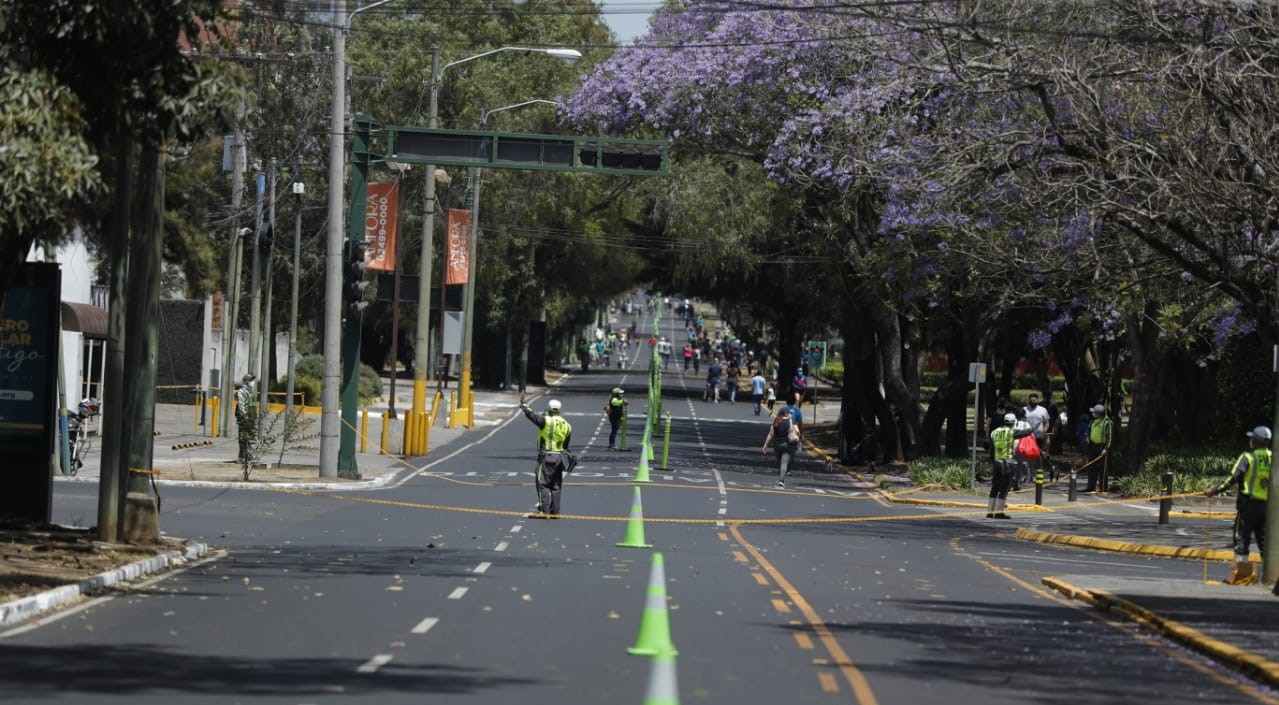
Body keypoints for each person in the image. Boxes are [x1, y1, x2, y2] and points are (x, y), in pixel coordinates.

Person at [1205, 426, 1272, 585]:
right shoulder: (1274, 457)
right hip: (1267, 507)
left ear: (1255, 441)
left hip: (1249, 505)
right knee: (1264, 542)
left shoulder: (1248, 457)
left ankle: (1241, 576)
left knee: (1242, 539)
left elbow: (1233, 478)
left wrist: (1214, 490)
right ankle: (1269, 579)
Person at [519, 393, 574, 517]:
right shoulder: (567, 425)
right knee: (556, 485)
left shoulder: (546, 421)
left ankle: (543, 510)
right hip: (560, 457)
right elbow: (566, 446)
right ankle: (555, 512)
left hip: (546, 457)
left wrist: (524, 405)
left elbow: (532, 416)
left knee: (542, 483)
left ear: (549, 409)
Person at [988, 413, 1032, 518]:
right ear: (1013, 423)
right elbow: (1025, 432)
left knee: (995, 487)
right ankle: (999, 513)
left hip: (997, 462)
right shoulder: (1011, 432)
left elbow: (992, 448)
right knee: (1004, 488)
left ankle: (990, 512)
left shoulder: (994, 432)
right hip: (1007, 463)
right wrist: (1033, 427)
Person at [762, 406, 801, 488]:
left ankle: (781, 477)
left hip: (777, 446)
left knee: (780, 463)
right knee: (784, 463)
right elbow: (797, 431)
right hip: (787, 445)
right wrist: (797, 436)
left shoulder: (776, 421)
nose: (790, 414)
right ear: (786, 414)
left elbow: (770, 434)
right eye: (789, 413)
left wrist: (765, 444)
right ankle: (781, 480)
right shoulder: (791, 421)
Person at [1084, 403, 1114, 492]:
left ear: (1098, 413)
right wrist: (1087, 437)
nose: (1093, 414)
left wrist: (1106, 448)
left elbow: (1110, 437)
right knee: (1091, 466)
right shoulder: (1093, 421)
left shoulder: (1107, 422)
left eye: (1095, 412)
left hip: (1102, 446)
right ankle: (1090, 486)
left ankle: (1103, 487)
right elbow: (1089, 430)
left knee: (1102, 468)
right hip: (1093, 445)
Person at [235, 373, 257, 463]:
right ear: (245, 381)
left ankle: (248, 454)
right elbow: (241, 405)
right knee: (243, 436)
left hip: (250, 418)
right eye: (250, 380)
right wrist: (245, 415)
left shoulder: (249, 392)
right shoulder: (241, 391)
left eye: (252, 380)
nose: (252, 382)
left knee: (249, 436)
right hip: (244, 418)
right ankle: (242, 456)